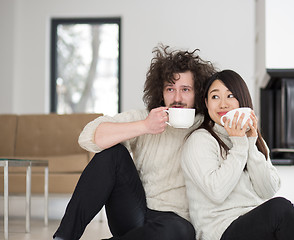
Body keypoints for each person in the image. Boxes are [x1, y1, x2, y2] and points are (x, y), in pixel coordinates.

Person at [53, 45, 216, 240]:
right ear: (161, 92)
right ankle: (63, 238)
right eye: (170, 89)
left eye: (185, 89)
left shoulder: (206, 126)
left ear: (197, 93)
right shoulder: (146, 118)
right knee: (112, 153)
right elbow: (88, 137)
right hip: (134, 212)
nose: (177, 97)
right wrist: (145, 126)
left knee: (182, 231)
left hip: (174, 221)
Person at [181, 69, 294, 240]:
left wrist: (250, 142)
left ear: (242, 100)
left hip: (260, 225)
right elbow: (217, 192)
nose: (223, 104)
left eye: (230, 96)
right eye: (215, 97)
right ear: (206, 103)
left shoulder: (250, 138)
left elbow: (267, 190)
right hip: (222, 231)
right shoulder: (200, 140)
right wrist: (239, 145)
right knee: (280, 208)